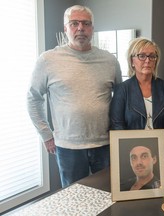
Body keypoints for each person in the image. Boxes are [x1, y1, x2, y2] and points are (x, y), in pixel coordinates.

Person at [27, 5, 122, 187]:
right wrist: (46, 135)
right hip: (68, 147)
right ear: (65, 28)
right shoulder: (48, 60)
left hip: (105, 144)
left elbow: (120, 99)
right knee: (73, 198)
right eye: (74, 23)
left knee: (108, 193)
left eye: (86, 23)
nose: (80, 28)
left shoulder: (110, 61)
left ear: (92, 28)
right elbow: (33, 98)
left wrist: (119, 135)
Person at [109, 37, 164, 158]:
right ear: (132, 61)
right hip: (133, 155)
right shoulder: (122, 90)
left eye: (152, 56)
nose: (147, 60)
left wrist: (160, 147)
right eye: (142, 56)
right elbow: (118, 126)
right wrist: (136, 152)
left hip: (162, 152)